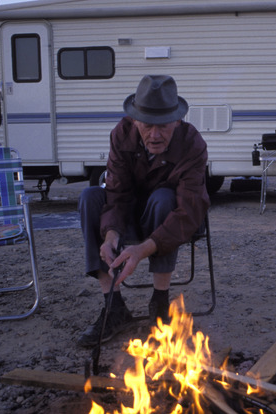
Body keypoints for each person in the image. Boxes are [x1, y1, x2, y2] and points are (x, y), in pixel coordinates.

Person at [77, 75, 210, 348]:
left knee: (163, 198)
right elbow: (117, 192)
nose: (155, 135)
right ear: (135, 120)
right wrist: (111, 234)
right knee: (90, 196)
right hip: (131, 217)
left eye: (163, 126)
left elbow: (189, 209)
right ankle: (113, 306)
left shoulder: (191, 142)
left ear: (177, 121)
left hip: (173, 220)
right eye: (147, 125)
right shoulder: (121, 134)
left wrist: (143, 249)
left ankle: (160, 303)